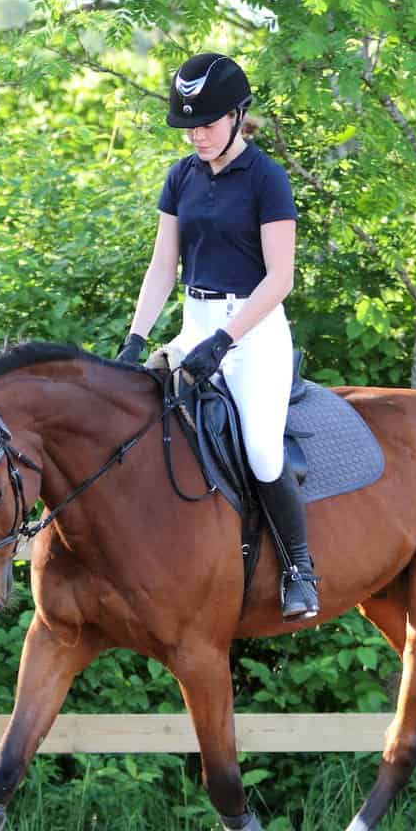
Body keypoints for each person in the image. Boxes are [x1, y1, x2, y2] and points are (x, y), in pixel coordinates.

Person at [116, 52, 318, 621]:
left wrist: (225, 341)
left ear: (237, 116)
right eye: (189, 127)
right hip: (194, 323)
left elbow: (281, 278)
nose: (197, 136)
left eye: (206, 124)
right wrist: (137, 337)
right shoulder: (180, 176)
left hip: (253, 331)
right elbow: (163, 266)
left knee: (258, 447)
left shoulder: (266, 179)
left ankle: (300, 568)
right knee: (131, 419)